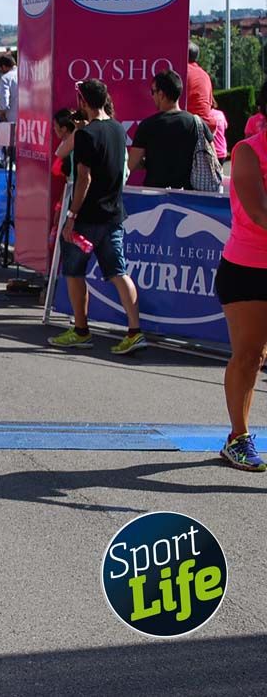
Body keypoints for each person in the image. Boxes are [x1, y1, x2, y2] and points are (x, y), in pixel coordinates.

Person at [50, 78, 147, 355]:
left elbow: (83, 178)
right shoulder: (117, 129)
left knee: (74, 271)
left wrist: (71, 215)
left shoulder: (85, 135)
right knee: (119, 272)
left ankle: (81, 330)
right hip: (113, 215)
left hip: (86, 219)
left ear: (82, 101)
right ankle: (134, 330)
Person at [214, 120, 267, 472]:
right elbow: (259, 212)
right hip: (249, 269)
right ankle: (238, 437)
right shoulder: (249, 150)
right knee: (249, 357)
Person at [128, 70, 214, 190]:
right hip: (189, 196)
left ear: (161, 94)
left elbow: (132, 163)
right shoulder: (196, 123)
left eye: (153, 92)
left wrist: (149, 162)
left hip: (155, 196)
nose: (152, 96)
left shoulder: (147, 126)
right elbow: (212, 158)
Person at [186, 41, 219, 133]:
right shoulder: (204, 75)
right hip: (206, 127)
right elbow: (210, 104)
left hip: (188, 125)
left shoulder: (183, 72)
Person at [0, 54, 18, 124]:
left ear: (4, 66)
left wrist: (2, 112)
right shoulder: (25, 73)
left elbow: (4, 100)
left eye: (0, 68)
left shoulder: (5, 78)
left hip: (12, 118)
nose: (0, 71)